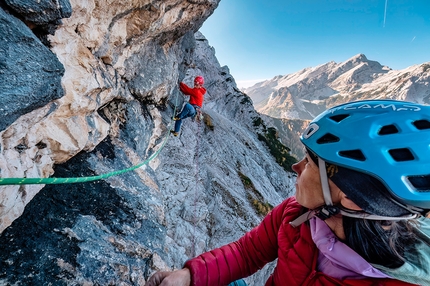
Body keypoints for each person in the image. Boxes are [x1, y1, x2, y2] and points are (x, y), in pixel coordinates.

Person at [147, 100, 430, 286]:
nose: (296, 166)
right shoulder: (297, 215)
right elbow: (248, 253)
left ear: (352, 196)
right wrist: (189, 276)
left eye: (309, 162)